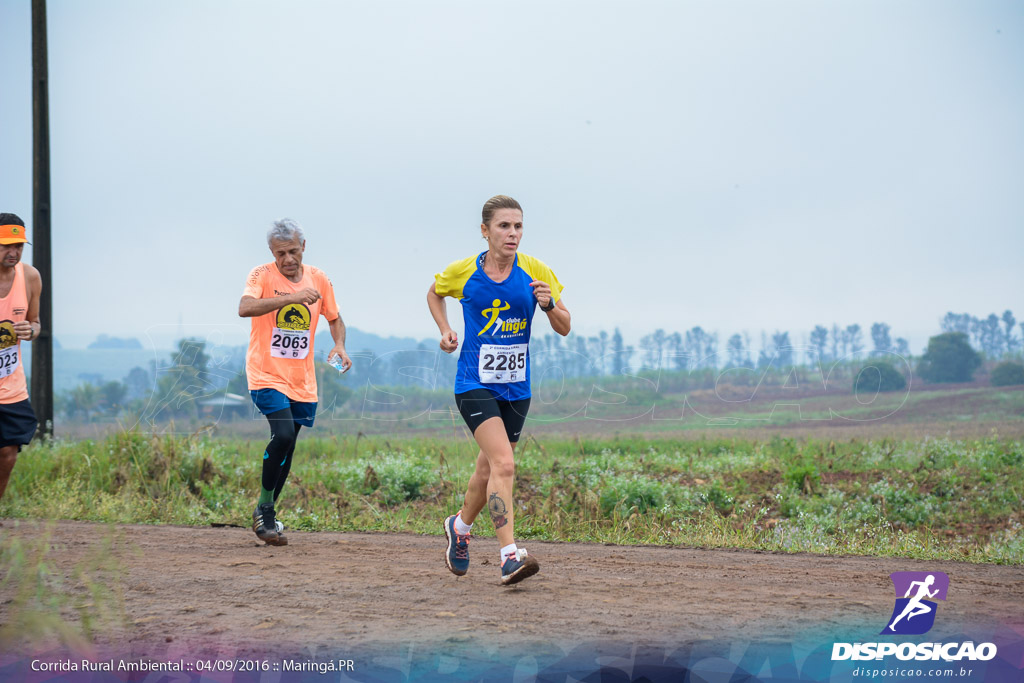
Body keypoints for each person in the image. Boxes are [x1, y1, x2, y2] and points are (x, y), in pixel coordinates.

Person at [427, 195, 571, 585]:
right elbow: (434, 293)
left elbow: (564, 324)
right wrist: (445, 330)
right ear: (485, 230)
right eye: (504, 226)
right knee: (504, 464)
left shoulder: (535, 270)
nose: (513, 234)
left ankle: (459, 527)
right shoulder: (464, 273)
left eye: (519, 226)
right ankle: (509, 555)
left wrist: (549, 304)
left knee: (489, 466)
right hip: (474, 383)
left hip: (517, 387)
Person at [239, 219, 351, 545]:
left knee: (289, 444)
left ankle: (266, 512)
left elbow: (334, 317)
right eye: (280, 253)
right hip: (265, 374)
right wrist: (290, 299)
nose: (287, 259)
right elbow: (245, 307)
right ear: (271, 253)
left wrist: (339, 344)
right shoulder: (261, 275)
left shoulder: (319, 279)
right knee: (283, 433)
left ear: (304, 246)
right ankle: (265, 508)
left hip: (302, 380)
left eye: (292, 251)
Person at [0, 214, 42, 505]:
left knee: (8, 454)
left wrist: (31, 330)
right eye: (5, 246)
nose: (13, 252)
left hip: (11, 386)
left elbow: (36, 322)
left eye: (18, 246)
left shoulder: (30, 277)